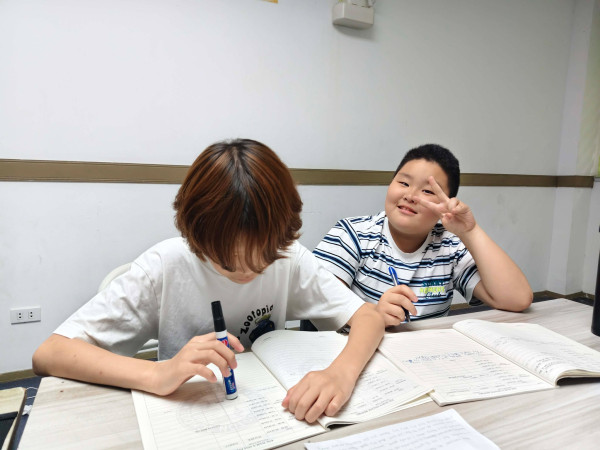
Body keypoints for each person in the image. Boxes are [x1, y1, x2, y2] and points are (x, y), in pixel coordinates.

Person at [32, 138, 385, 424]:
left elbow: (368, 317)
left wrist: (341, 374)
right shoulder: (165, 266)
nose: (247, 273)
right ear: (196, 237)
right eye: (228, 262)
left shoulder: (287, 255)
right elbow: (49, 353)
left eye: (262, 258)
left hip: (268, 414)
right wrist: (158, 373)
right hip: (188, 416)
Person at [313, 143, 533, 327]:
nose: (410, 195)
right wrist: (372, 315)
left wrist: (470, 232)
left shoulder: (450, 247)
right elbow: (318, 303)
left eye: (427, 191)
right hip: (356, 351)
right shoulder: (352, 234)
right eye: (403, 183)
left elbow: (517, 299)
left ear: (447, 204)